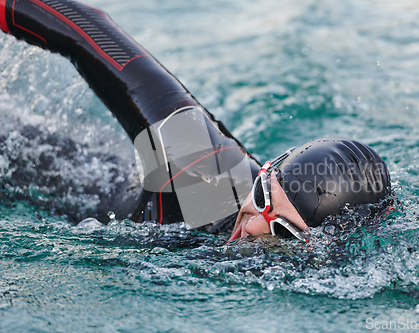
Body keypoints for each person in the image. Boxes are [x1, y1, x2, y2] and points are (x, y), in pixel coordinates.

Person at [0, 0, 392, 242]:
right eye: (261, 198)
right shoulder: (205, 174)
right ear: (265, 172)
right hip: (38, 175)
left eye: (283, 231)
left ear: (322, 246)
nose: (252, 227)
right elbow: (84, 28)